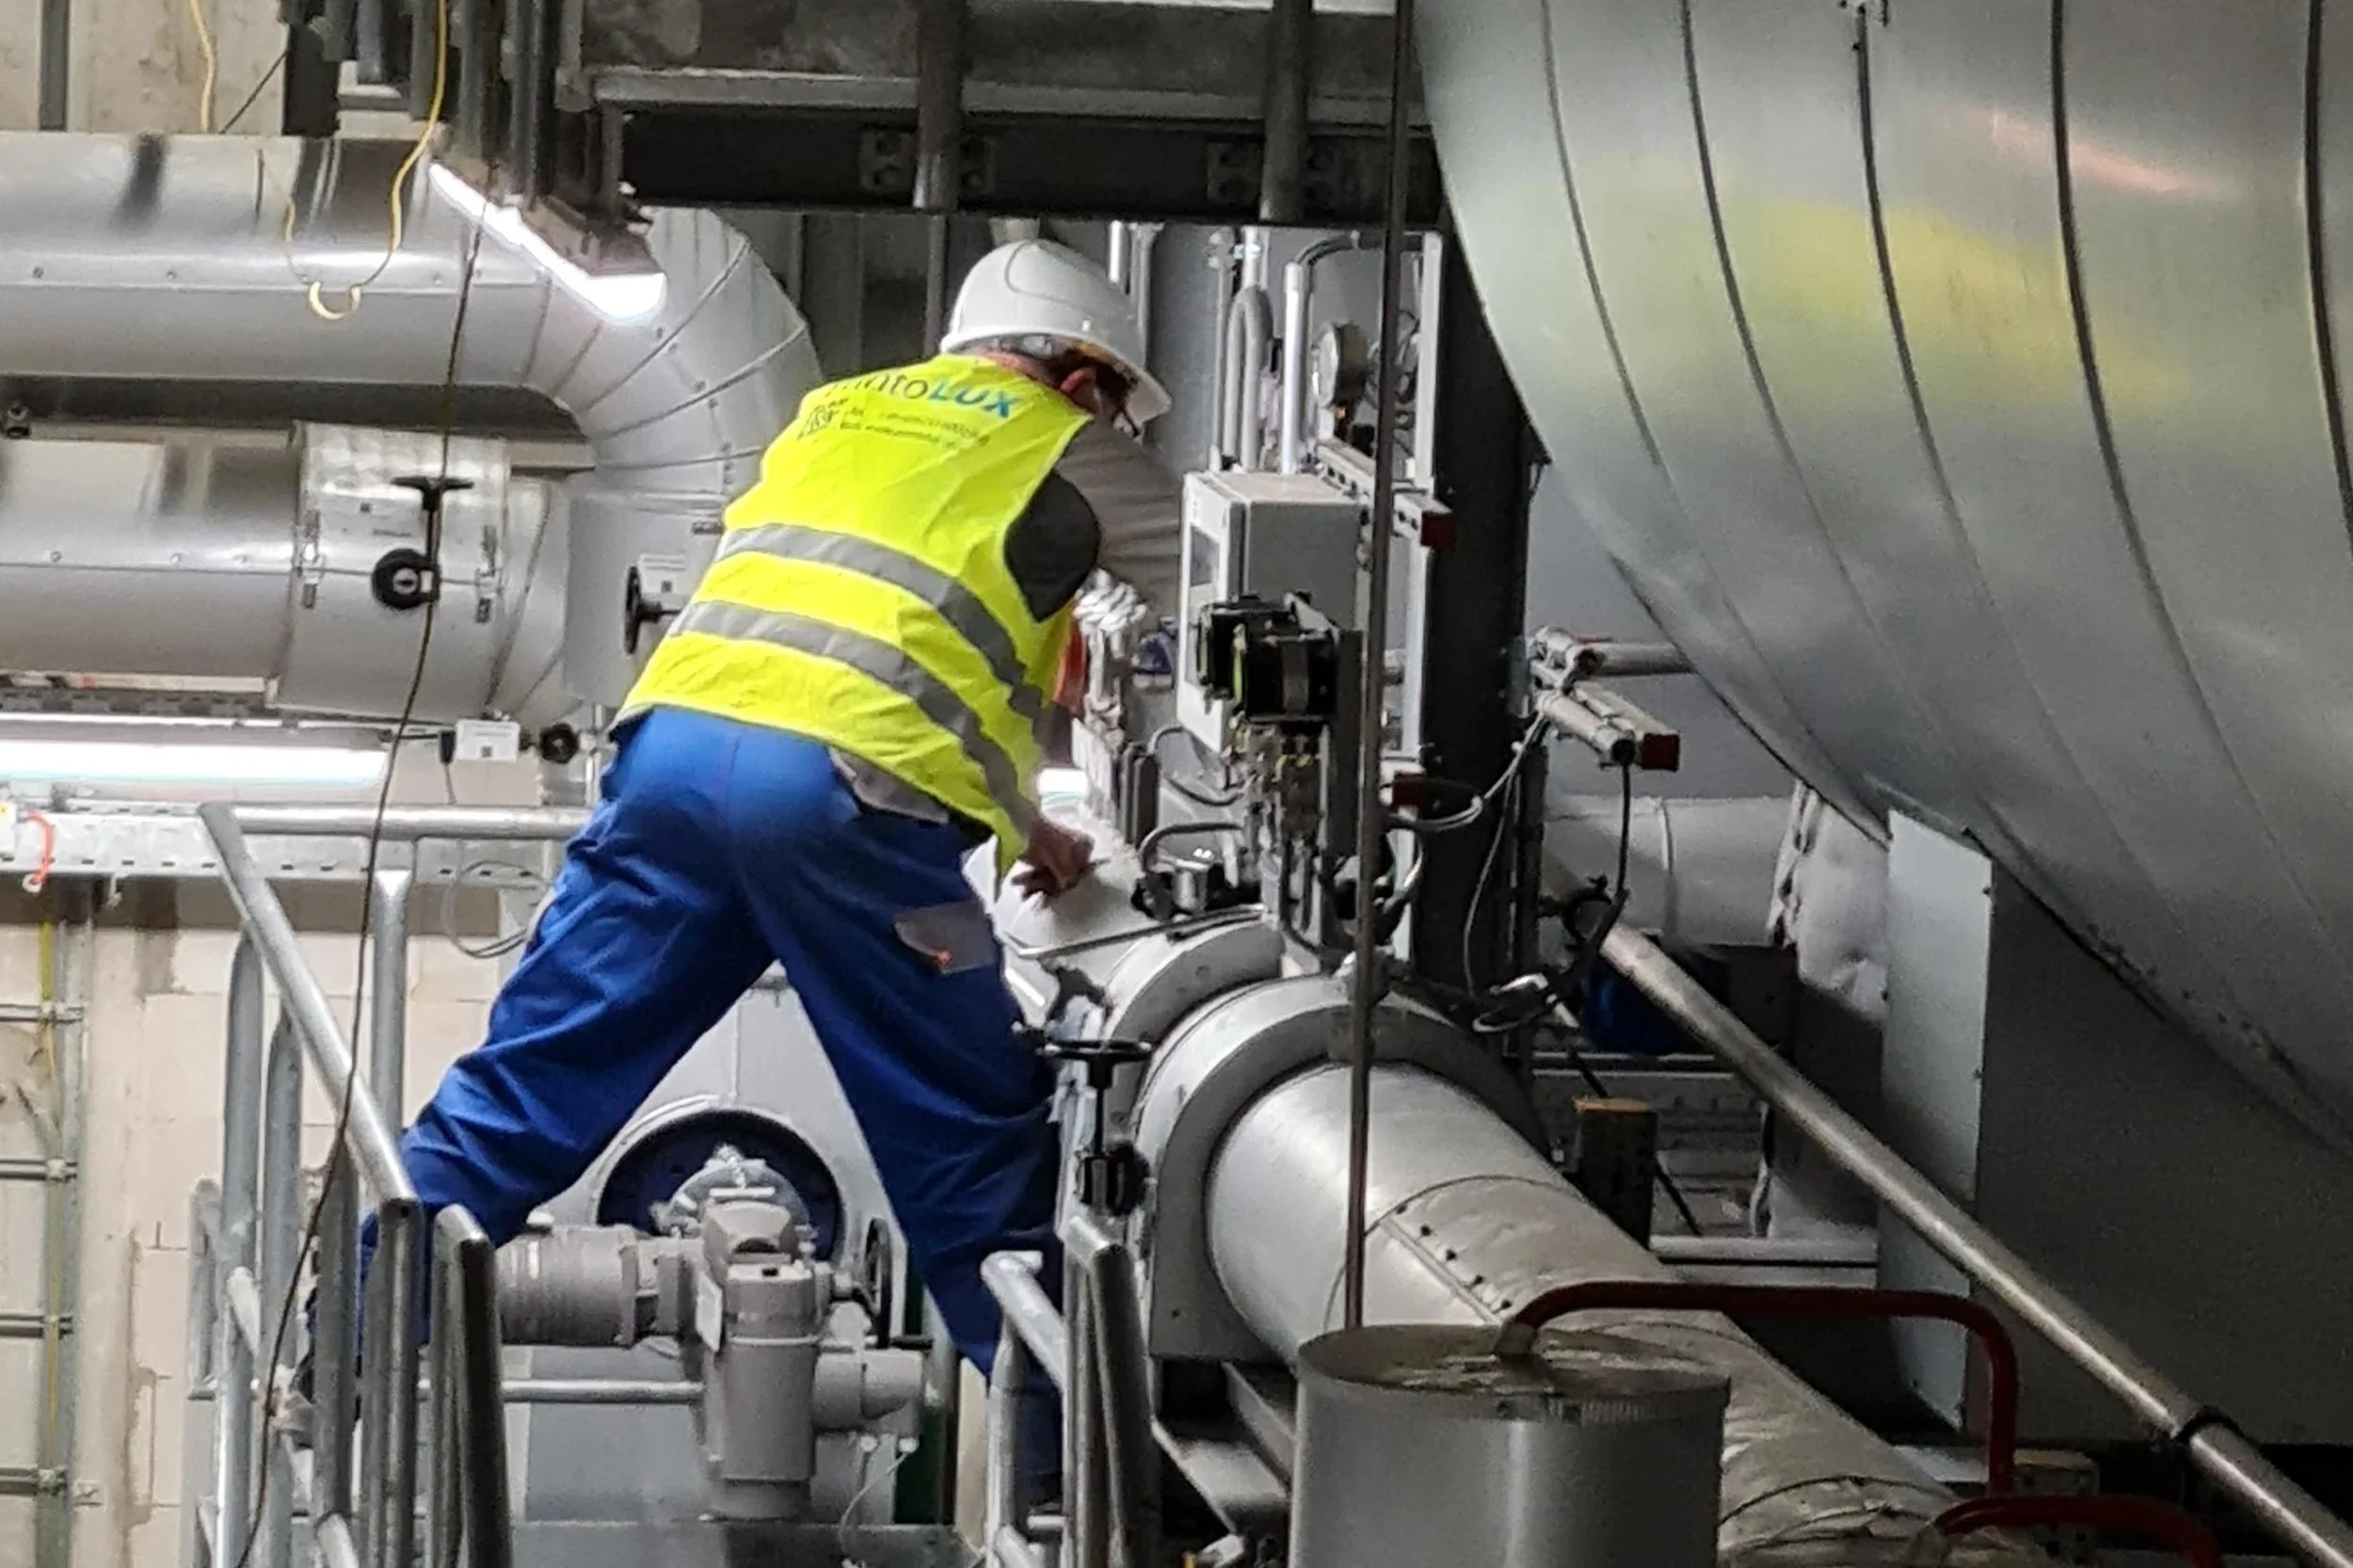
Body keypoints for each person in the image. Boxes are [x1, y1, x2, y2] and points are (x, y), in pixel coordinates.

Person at [380, 239, 1180, 1423]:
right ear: (1081, 381)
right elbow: (1235, 582)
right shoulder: (1065, 443)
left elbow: (865, 619)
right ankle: (1076, 1495)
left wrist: (1021, 820)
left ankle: (338, 1348)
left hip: (671, 768)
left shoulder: (832, 414)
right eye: (1112, 402)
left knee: (524, 1092)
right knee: (974, 1156)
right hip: (841, 805)